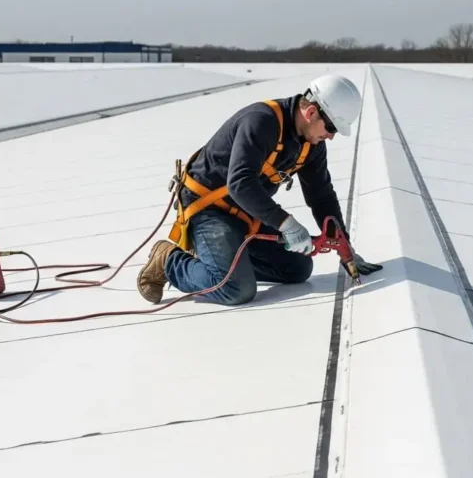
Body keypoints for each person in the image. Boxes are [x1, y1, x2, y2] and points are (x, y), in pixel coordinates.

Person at [137, 73, 383, 306]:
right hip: (209, 211)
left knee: (298, 268)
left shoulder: (311, 146)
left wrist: (346, 248)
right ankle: (169, 261)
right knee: (236, 289)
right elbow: (240, 184)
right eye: (331, 129)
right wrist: (286, 223)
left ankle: (216, 261)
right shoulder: (261, 121)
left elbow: (321, 196)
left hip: (245, 213)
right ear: (310, 112)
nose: (330, 137)